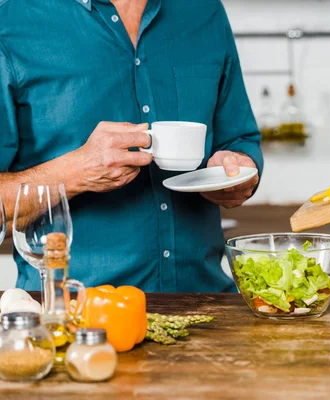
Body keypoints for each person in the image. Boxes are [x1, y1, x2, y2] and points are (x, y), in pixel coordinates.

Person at [0, 0, 262, 292]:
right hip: (76, 315)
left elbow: (240, 139)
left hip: (205, 305)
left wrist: (237, 170)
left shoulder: (204, 9)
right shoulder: (11, 21)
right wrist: (77, 172)